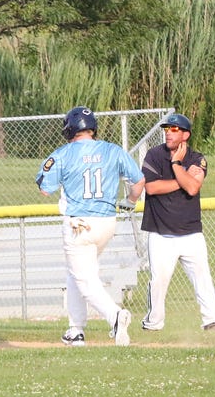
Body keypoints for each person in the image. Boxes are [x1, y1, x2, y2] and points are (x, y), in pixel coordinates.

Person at [35, 106, 145, 347]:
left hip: (80, 224)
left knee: (85, 280)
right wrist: (129, 202)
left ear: (70, 128)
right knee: (76, 274)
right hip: (106, 222)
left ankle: (115, 316)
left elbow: (44, 188)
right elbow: (138, 181)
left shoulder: (63, 154)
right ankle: (76, 330)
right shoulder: (112, 150)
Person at [140, 113, 215, 331]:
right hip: (160, 233)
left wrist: (177, 165)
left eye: (174, 129)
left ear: (185, 135)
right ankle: (153, 323)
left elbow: (194, 188)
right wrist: (184, 179)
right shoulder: (154, 155)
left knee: (202, 279)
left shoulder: (197, 158)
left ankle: (211, 320)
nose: (168, 132)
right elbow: (151, 188)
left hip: (190, 233)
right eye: (167, 129)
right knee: (158, 282)